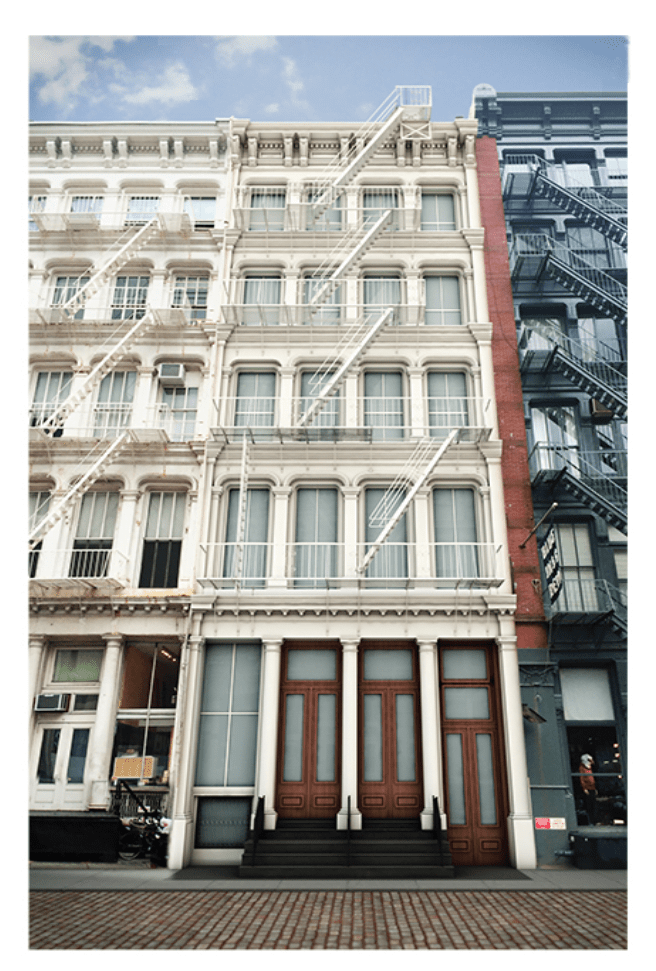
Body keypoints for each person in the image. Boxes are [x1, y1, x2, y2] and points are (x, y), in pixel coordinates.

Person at [579, 753, 597, 825]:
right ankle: (590, 821)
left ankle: (594, 820)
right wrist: (584, 788)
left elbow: (592, 778)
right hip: (587, 789)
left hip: (592, 787)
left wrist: (595, 788)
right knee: (589, 805)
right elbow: (582, 778)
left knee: (594, 804)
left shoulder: (589, 767)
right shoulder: (582, 768)